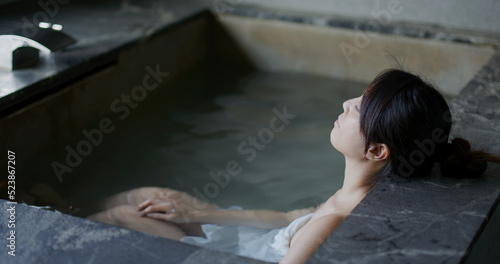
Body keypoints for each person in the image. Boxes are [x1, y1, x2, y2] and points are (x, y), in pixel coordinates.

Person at [87, 69, 500, 263]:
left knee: (125, 214)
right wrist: (202, 213)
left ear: (377, 151)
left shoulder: (336, 218)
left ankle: (49, 218)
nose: (344, 105)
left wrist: (196, 231)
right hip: (255, 237)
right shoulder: (357, 193)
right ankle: (57, 210)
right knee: (147, 196)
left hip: (241, 255)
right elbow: (287, 217)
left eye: (358, 109)